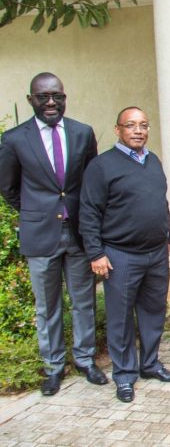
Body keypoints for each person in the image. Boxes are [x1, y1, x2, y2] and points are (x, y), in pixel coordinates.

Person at [0, 72, 107, 396]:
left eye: (56, 96)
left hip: (77, 233)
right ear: (31, 99)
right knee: (47, 306)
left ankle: (86, 360)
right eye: (43, 96)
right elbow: (7, 187)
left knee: (83, 301)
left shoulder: (82, 133)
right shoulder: (16, 139)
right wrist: (34, 212)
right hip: (40, 235)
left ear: (64, 97)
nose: (51, 102)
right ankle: (53, 367)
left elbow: (91, 182)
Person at [80, 107, 170, 402]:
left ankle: (149, 364)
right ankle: (124, 376)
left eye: (143, 125)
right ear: (118, 130)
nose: (138, 130)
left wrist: (168, 236)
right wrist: (96, 253)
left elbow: (160, 201)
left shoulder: (152, 161)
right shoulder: (102, 166)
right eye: (131, 125)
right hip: (120, 255)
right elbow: (88, 212)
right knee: (120, 319)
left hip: (155, 254)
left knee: (153, 313)